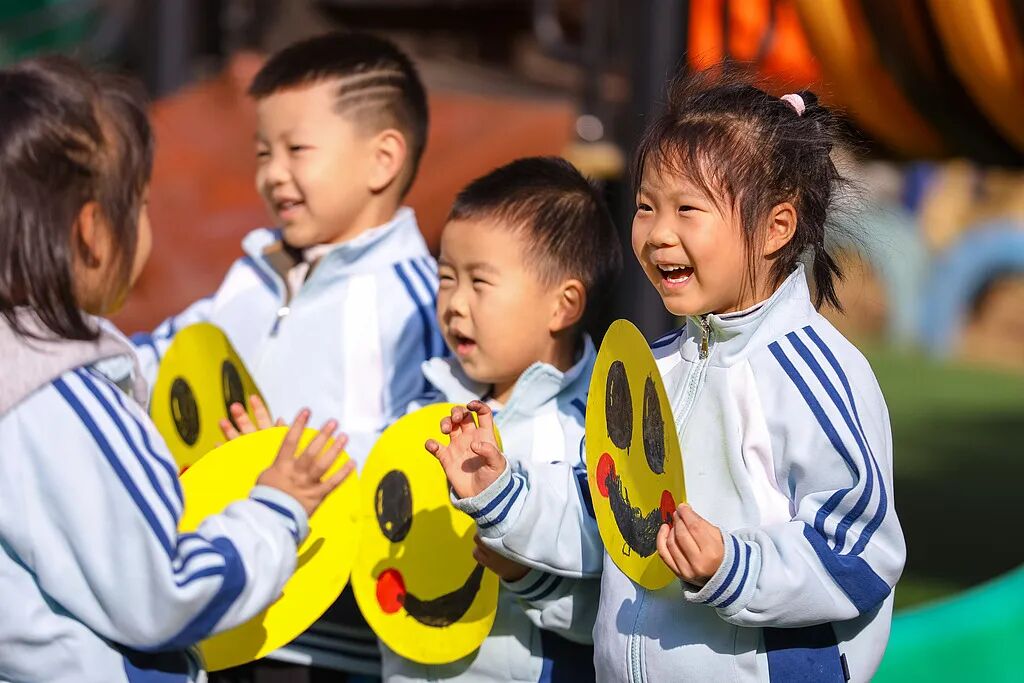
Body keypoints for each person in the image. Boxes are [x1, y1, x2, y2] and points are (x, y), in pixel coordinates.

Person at [428, 73, 907, 682]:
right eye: (646, 207)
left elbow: (861, 550)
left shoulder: (810, 372)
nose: (657, 234)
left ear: (775, 229)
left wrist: (735, 566)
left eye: (687, 209)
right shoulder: (645, 367)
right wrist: (503, 493)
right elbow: (605, 511)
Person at [0, 56, 351, 683]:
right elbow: (164, 589)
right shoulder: (61, 393)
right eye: (139, 204)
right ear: (92, 233)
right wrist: (275, 507)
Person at [131, 31, 440, 677]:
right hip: (230, 602)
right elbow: (164, 359)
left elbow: (419, 449)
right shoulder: (253, 271)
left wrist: (294, 461)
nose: (273, 173)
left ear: (383, 158)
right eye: (263, 151)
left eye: (296, 150)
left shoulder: (417, 298)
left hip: (335, 631)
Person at [376, 157, 620, 682]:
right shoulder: (423, 409)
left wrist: (525, 574)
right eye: (446, 277)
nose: (455, 303)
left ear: (563, 306)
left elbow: (614, 612)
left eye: (480, 282)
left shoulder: (594, 431)